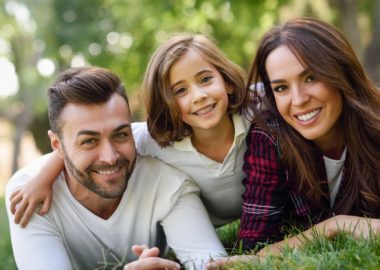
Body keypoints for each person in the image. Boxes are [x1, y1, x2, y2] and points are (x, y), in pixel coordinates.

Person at [9, 33, 250, 228]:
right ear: (166, 102)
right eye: (180, 91)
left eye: (206, 79)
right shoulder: (154, 141)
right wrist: (43, 178)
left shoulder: (256, 113)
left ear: (227, 81)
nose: (199, 96)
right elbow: (89, 144)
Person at [5, 66, 227, 270]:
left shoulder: (167, 182)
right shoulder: (28, 194)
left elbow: (210, 263)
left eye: (120, 135)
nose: (110, 157)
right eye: (89, 141)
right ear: (57, 146)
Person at [226, 17, 380, 264]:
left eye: (311, 77)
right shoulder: (270, 135)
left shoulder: (375, 123)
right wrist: (333, 226)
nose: (298, 100)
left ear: (341, 71)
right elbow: (253, 251)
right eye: (281, 88)